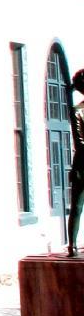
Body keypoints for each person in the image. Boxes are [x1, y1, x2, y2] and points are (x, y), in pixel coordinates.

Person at [70, 70, 84, 257]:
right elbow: (79, 140)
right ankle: (72, 245)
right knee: (78, 205)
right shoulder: (78, 111)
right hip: (83, 161)